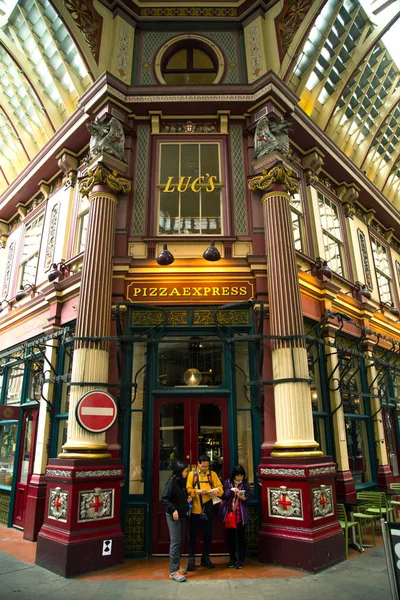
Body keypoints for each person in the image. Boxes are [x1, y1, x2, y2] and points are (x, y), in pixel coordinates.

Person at [186, 454, 223, 570]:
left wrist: (216, 491)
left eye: (207, 467)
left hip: (208, 510)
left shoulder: (212, 475)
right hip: (196, 510)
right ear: (198, 464)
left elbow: (221, 489)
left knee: (208, 535)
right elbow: (188, 489)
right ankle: (191, 559)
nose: (205, 469)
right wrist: (195, 492)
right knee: (193, 535)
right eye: (203, 467)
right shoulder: (192, 475)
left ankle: (205, 557)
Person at [161, 460, 192, 582]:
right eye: (185, 471)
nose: (187, 473)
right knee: (175, 541)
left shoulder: (181, 482)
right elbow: (165, 498)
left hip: (182, 514)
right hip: (174, 515)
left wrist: (187, 499)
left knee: (180, 541)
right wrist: (173, 509)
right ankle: (173, 571)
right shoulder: (172, 482)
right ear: (180, 472)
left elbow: (180, 497)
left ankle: (177, 566)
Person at [221, 465, 251, 569]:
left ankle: (241, 560)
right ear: (234, 475)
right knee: (231, 537)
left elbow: (248, 497)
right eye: (238, 475)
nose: (239, 478)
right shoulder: (228, 483)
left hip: (241, 515)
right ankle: (232, 558)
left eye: (241, 475)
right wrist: (231, 491)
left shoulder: (245, 484)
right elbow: (224, 496)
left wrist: (243, 497)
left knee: (241, 537)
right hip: (230, 514)